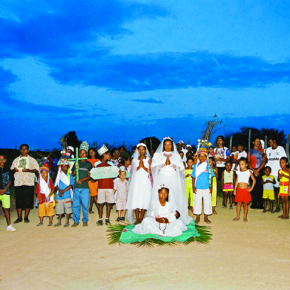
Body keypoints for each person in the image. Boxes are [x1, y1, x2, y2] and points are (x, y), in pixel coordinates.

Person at [151, 137, 192, 225]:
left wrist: (172, 165)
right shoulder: (158, 155)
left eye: (169, 144)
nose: (168, 146)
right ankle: (160, 214)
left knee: (174, 195)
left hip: (173, 177)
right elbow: (153, 167)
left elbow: (181, 167)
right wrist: (163, 164)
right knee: (161, 194)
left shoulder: (176, 155)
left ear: (172, 145)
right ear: (163, 145)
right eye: (166, 144)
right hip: (162, 176)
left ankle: (173, 215)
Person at [11, 144, 39, 223]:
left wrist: (28, 170)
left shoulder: (32, 160)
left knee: (28, 200)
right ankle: (19, 217)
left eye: (25, 149)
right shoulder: (16, 160)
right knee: (19, 200)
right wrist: (15, 170)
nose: (24, 150)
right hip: (18, 182)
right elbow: (11, 170)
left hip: (28, 182)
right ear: (20, 150)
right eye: (22, 149)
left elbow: (37, 169)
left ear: (28, 150)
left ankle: (26, 217)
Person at [126, 143, 152, 224]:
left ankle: (142, 218)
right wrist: (139, 167)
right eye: (139, 149)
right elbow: (131, 172)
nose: (141, 151)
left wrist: (143, 166)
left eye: (142, 149)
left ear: (145, 150)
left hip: (145, 181)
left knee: (144, 199)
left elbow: (151, 172)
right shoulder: (134, 160)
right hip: (137, 181)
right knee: (136, 199)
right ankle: (137, 218)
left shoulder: (148, 160)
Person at [192, 141, 214, 224]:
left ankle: (206, 217)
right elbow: (193, 177)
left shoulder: (208, 166)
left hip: (207, 187)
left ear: (206, 157)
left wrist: (211, 186)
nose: (202, 157)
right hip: (198, 187)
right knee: (197, 202)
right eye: (200, 156)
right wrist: (193, 187)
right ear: (198, 157)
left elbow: (211, 177)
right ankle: (197, 217)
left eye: (203, 156)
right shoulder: (196, 166)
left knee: (207, 202)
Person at [71, 141, 92, 227]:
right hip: (76, 187)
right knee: (75, 205)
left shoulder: (89, 164)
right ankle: (76, 221)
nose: (82, 155)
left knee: (85, 205)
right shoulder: (76, 162)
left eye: (84, 153)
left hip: (85, 188)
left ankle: (85, 220)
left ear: (86, 154)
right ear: (79, 154)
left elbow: (91, 176)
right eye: (81, 153)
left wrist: (82, 180)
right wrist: (76, 168)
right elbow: (72, 174)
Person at [266, 137, 287, 212]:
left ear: (274, 140)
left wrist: (282, 171)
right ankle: (271, 206)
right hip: (270, 173)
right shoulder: (268, 150)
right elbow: (266, 160)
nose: (269, 143)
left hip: (277, 173)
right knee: (270, 190)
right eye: (268, 142)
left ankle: (278, 205)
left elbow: (284, 159)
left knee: (277, 190)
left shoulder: (280, 149)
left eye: (270, 141)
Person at [95, 144, 115, 226]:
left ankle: (107, 218)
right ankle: (100, 219)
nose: (110, 156)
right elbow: (95, 177)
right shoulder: (98, 166)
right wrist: (91, 175)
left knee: (109, 203)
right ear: (104, 155)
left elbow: (114, 174)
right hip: (101, 187)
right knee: (101, 203)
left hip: (109, 186)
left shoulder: (110, 165)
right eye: (109, 154)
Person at [233, 158, 256, 222]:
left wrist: (251, 188)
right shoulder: (239, 172)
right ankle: (237, 216)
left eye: (242, 164)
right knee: (238, 204)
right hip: (239, 189)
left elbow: (254, 180)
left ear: (246, 165)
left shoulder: (249, 172)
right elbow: (237, 181)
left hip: (245, 190)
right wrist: (235, 189)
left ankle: (245, 217)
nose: (241, 166)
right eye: (240, 165)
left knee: (245, 204)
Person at [54, 157, 74, 227]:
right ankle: (59, 221)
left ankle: (67, 221)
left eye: (65, 167)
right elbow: (56, 185)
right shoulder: (58, 175)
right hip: (59, 195)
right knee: (59, 209)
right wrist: (60, 191)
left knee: (68, 208)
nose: (63, 168)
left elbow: (71, 185)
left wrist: (63, 191)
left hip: (67, 194)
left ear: (68, 167)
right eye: (62, 166)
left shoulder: (69, 175)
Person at [248, 138, 266, 209]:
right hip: (252, 170)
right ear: (253, 142)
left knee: (260, 187)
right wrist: (254, 170)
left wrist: (258, 170)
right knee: (254, 187)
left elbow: (264, 161)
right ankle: (254, 203)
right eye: (256, 141)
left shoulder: (262, 151)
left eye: (259, 141)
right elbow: (248, 162)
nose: (258, 143)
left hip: (260, 170)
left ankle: (260, 204)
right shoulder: (250, 151)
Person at [0, 152, 16, 231]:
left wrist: (5, 189)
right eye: (0, 159)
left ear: (5, 160)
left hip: (6, 191)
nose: (1, 161)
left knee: (6, 208)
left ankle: (9, 225)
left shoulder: (8, 170)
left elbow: (10, 180)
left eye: (3, 159)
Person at [36, 161, 54, 226]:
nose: (43, 174)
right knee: (41, 210)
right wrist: (39, 196)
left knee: (49, 209)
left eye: (45, 173)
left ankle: (50, 221)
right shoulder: (39, 181)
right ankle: (41, 222)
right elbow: (37, 190)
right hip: (41, 198)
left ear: (47, 173)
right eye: (42, 173)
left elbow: (52, 188)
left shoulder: (50, 181)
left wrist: (49, 195)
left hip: (48, 197)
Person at [87, 148, 100, 214]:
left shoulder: (98, 160)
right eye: (90, 152)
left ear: (95, 152)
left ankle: (90, 208)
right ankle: (98, 207)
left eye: (92, 151)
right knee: (94, 193)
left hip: (97, 179)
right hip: (90, 179)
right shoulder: (87, 160)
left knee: (93, 194)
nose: (91, 153)